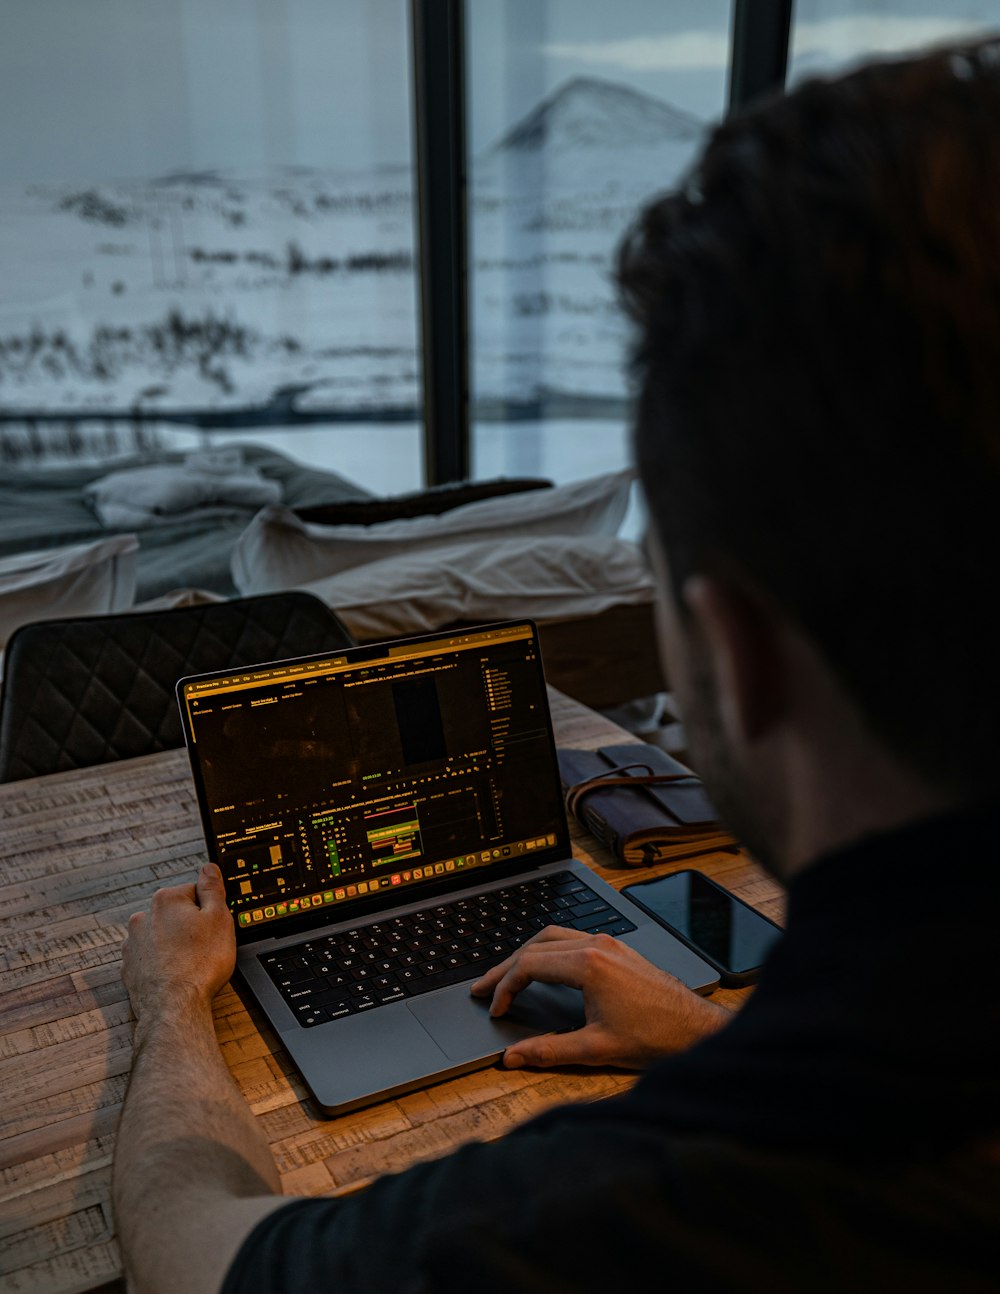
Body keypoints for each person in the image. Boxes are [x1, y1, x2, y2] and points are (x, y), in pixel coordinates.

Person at [113, 39, 1000, 1294]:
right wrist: (702, 1033)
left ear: (732, 654)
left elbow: (189, 1252)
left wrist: (170, 1000)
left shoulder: (626, 1217)